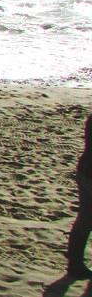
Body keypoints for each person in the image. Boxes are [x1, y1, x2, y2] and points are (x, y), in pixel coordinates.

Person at [67, 116, 92, 278]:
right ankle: (75, 265)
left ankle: (75, 265)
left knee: (85, 219)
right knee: (85, 219)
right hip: (88, 172)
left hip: (86, 170)